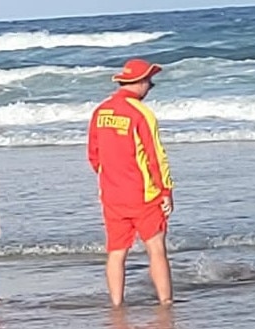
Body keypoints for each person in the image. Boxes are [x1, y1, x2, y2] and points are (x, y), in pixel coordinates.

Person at [87, 58, 174, 307]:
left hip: (112, 194)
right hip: (143, 193)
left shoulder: (101, 111)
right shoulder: (141, 113)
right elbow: (156, 157)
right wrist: (166, 190)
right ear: (141, 82)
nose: (149, 88)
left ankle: (116, 304)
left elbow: (93, 155)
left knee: (116, 253)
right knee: (156, 247)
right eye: (150, 83)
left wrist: (110, 177)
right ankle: (166, 302)